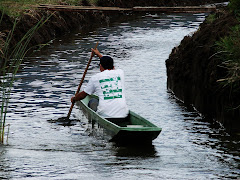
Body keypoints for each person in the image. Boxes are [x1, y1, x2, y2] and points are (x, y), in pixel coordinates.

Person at [71, 48, 129, 123]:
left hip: (106, 116)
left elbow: (83, 95)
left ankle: (92, 124)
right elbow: (108, 64)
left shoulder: (95, 78)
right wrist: (98, 54)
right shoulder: (120, 73)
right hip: (123, 115)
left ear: (101, 66)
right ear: (113, 66)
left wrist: (74, 99)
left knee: (92, 101)